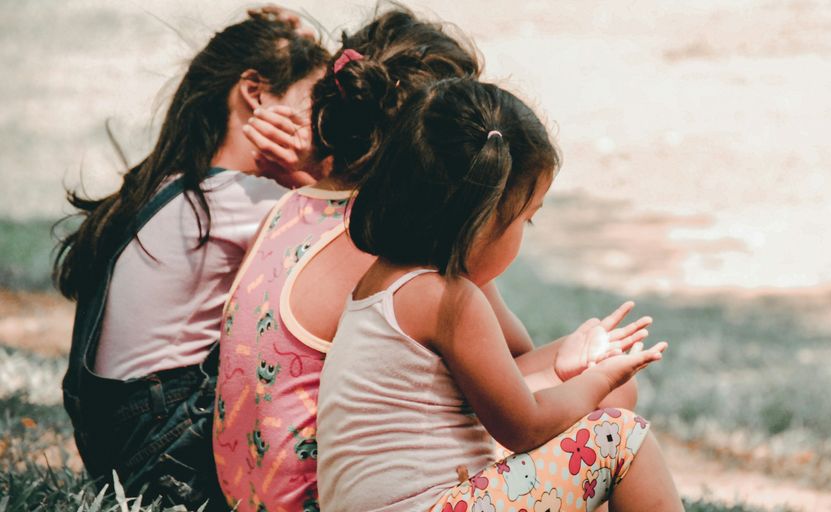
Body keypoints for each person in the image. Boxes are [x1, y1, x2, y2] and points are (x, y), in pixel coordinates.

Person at [216, 8, 653, 511]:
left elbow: (490, 368)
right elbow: (513, 393)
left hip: (258, 493)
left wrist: (564, 358)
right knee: (614, 416)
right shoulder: (413, 262)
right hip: (320, 500)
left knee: (595, 401)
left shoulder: (303, 209)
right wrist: (585, 373)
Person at [317, 78, 684, 512]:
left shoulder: (384, 284)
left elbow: (491, 393)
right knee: (621, 436)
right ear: (482, 220)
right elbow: (523, 426)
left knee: (610, 402)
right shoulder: (448, 300)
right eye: (525, 220)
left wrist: (564, 367)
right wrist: (598, 378)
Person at [52, 8, 329, 509]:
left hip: (123, 453)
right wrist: (309, 175)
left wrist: (296, 47)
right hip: (169, 463)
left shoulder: (170, 184)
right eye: (312, 103)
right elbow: (364, 243)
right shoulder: (245, 199)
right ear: (255, 93)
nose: (319, 126)